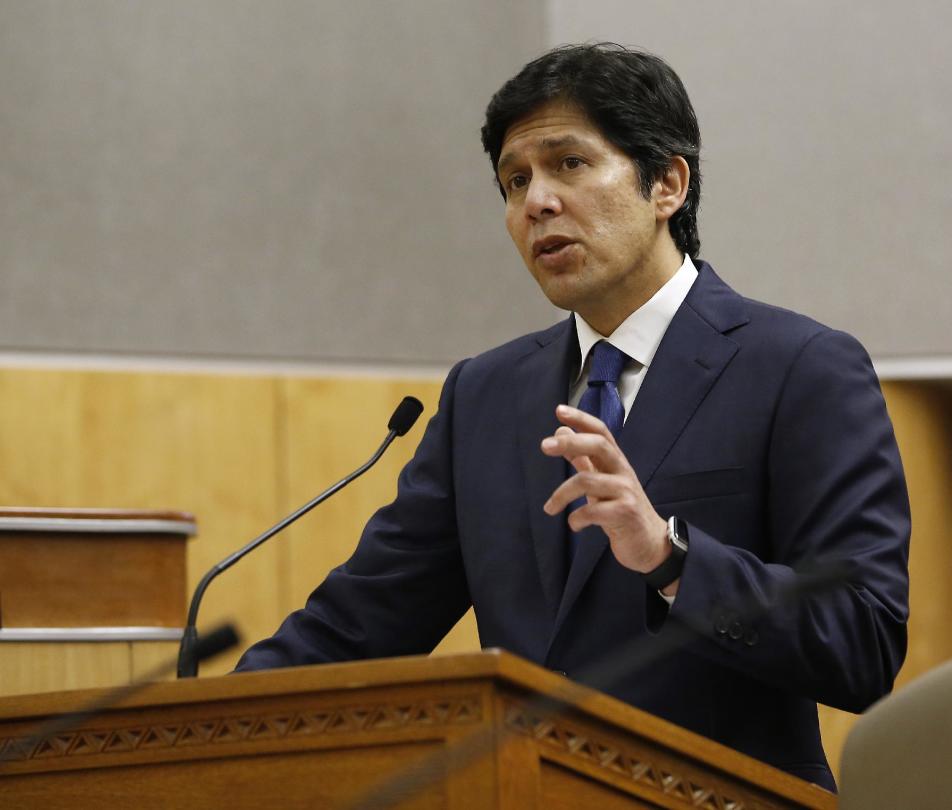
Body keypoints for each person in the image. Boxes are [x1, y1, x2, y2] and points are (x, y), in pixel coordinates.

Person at [235, 44, 910, 791]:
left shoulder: (800, 368)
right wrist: (206, 722)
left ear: (667, 184)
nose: (536, 203)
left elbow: (864, 642)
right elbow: (358, 626)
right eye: (514, 181)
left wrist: (672, 557)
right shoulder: (484, 395)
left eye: (569, 164)